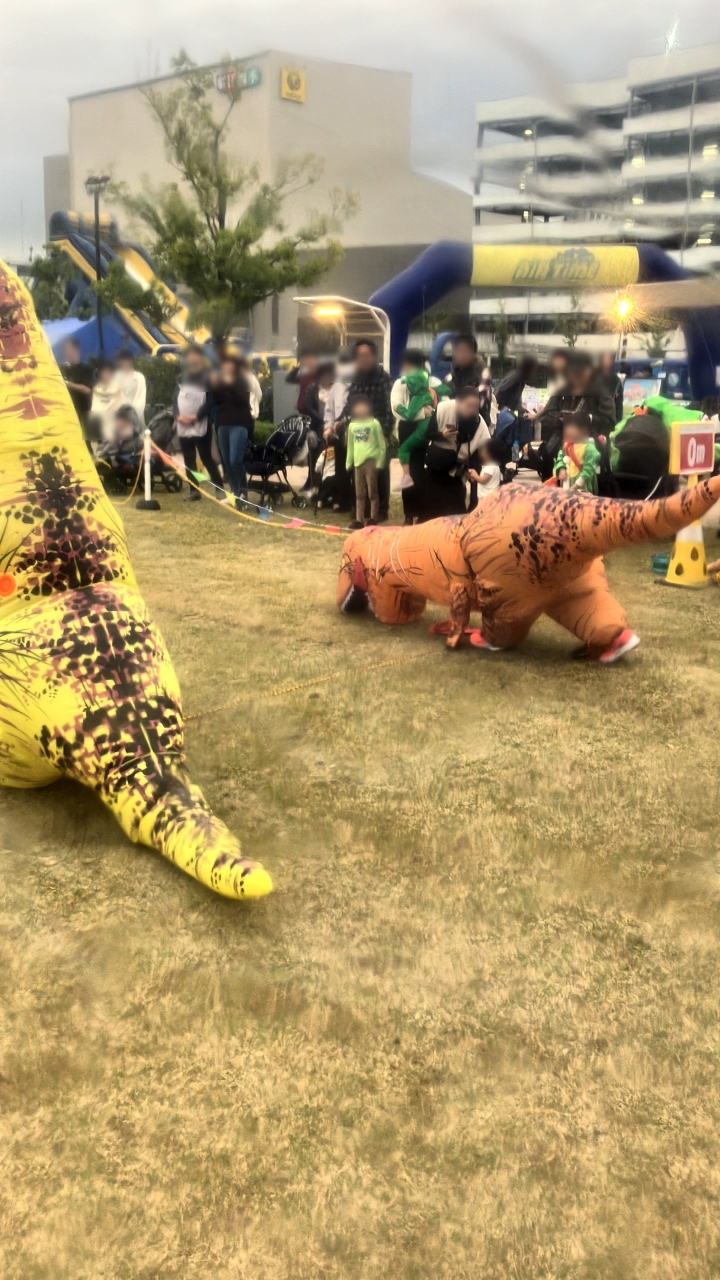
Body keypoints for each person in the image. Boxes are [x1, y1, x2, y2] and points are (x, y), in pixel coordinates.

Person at [529, 348, 616, 481]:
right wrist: (560, 419)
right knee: (548, 453)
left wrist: (585, 420)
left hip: (590, 438)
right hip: (562, 437)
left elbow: (609, 421)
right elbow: (546, 415)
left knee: (592, 460)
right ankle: (550, 488)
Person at [422, 385, 490, 520]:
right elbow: (428, 434)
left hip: (457, 474)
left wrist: (474, 500)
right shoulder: (443, 409)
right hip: (436, 466)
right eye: (468, 405)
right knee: (430, 516)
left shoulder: (480, 427)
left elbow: (477, 465)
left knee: (456, 518)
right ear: (458, 402)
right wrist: (442, 435)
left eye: (475, 406)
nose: (472, 410)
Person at [346, 340, 394, 520]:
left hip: (378, 430)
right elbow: (349, 405)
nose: (363, 359)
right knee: (359, 470)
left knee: (380, 471)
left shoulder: (383, 378)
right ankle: (361, 508)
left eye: (366, 355)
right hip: (359, 431)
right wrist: (342, 424)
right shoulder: (356, 378)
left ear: (374, 356)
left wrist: (386, 432)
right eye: (359, 355)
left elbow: (390, 407)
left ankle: (381, 510)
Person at [201, 354, 255, 509]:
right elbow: (215, 401)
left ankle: (243, 494)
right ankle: (234, 494)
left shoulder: (242, 381)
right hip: (223, 425)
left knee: (235, 460)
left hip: (239, 424)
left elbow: (242, 401)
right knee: (226, 462)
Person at [173, 346, 225, 502]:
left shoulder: (208, 377)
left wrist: (197, 416)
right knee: (188, 459)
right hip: (183, 424)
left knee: (206, 457)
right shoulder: (182, 377)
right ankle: (194, 490)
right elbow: (175, 398)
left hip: (201, 423)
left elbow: (212, 401)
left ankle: (219, 489)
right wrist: (178, 416)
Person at [392, 349, 438, 525]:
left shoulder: (430, 382)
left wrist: (427, 413)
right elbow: (396, 409)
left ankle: (423, 512)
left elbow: (435, 406)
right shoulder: (400, 383)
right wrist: (422, 413)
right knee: (408, 473)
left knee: (420, 472)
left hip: (425, 429)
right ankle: (409, 514)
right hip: (407, 429)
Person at [346, 393, 387, 530]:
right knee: (359, 493)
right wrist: (348, 462)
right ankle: (359, 520)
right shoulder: (352, 426)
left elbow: (382, 445)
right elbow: (350, 446)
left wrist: (380, 462)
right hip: (357, 463)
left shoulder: (374, 424)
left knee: (372, 492)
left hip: (371, 462)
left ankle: (373, 517)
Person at [304, 360, 336, 493]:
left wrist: (331, 423)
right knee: (316, 458)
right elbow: (309, 408)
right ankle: (316, 488)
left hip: (333, 429)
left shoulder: (336, 389)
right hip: (316, 428)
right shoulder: (312, 389)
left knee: (331, 459)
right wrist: (323, 420)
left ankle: (330, 490)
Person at [553, 410, 601, 493]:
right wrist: (561, 468)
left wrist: (576, 485)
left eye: (572, 428)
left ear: (584, 430)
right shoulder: (567, 445)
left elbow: (588, 470)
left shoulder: (589, 448)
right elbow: (560, 457)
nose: (568, 430)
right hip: (567, 483)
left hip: (582, 486)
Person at [61, 338, 95, 444]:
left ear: (78, 350)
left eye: (70, 349)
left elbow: (87, 390)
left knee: (88, 447)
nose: (68, 352)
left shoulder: (87, 369)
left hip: (85, 415)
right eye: (66, 349)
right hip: (67, 417)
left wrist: (67, 384)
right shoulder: (62, 370)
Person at [91, 359, 126, 444]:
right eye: (103, 373)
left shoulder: (119, 389)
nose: (105, 375)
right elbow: (94, 409)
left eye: (107, 372)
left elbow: (123, 409)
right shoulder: (96, 389)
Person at [468, 437, 504, 503]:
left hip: (488, 497)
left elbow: (483, 480)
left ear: (489, 455)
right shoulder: (488, 465)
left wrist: (475, 475)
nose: (481, 453)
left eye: (483, 451)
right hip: (485, 496)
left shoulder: (491, 466)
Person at [115, 349, 147, 421]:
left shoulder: (140, 377)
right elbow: (115, 397)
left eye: (127, 360)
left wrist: (133, 413)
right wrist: (123, 413)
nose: (125, 363)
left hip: (137, 418)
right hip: (120, 418)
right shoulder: (116, 377)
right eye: (123, 360)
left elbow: (142, 398)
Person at [599, 352, 624, 424]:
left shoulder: (616, 380)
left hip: (610, 418)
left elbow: (619, 404)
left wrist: (618, 422)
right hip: (596, 418)